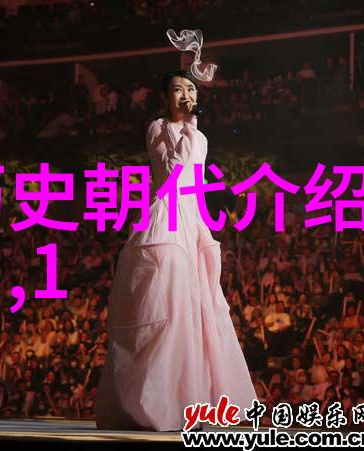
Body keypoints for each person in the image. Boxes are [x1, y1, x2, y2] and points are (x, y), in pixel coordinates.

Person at [95, 69, 257, 431]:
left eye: (190, 89)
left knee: (198, 307)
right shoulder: (158, 128)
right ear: (165, 97)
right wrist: (187, 129)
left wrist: (210, 216)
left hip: (190, 219)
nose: (185, 95)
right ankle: (152, 403)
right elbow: (171, 172)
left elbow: (196, 183)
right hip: (165, 216)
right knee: (164, 302)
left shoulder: (201, 137)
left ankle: (194, 400)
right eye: (177, 89)